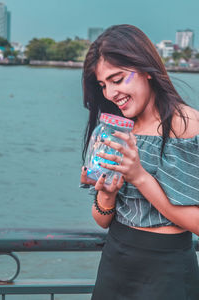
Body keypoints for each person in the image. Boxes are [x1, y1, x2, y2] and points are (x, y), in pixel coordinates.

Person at [80, 24, 199, 300]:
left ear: (145, 69)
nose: (110, 93)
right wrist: (107, 193)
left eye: (118, 79)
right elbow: (101, 219)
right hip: (115, 261)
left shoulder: (187, 125)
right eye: (103, 85)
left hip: (166, 271)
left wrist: (140, 177)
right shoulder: (117, 129)